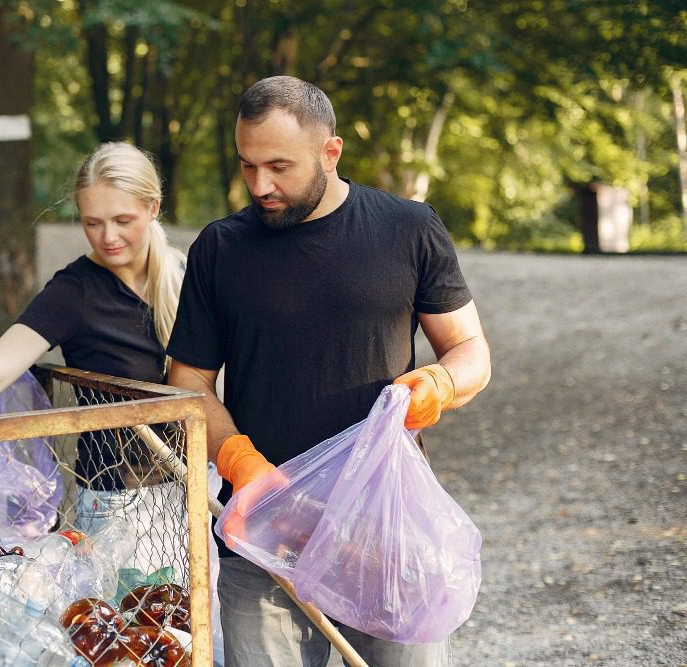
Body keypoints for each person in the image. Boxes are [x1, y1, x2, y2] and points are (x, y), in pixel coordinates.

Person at [166, 76, 491, 666]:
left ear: (330, 151)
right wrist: (239, 462)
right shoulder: (220, 248)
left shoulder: (408, 228)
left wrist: (441, 384)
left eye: (279, 166)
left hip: (385, 532)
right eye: (247, 166)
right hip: (263, 533)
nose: (261, 185)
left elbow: (470, 350)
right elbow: (188, 382)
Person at [0, 141, 190, 581]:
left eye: (123, 220)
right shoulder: (74, 293)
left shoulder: (184, 274)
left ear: (153, 207)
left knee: (191, 639)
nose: (108, 237)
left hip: (189, 490)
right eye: (92, 223)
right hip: (117, 508)